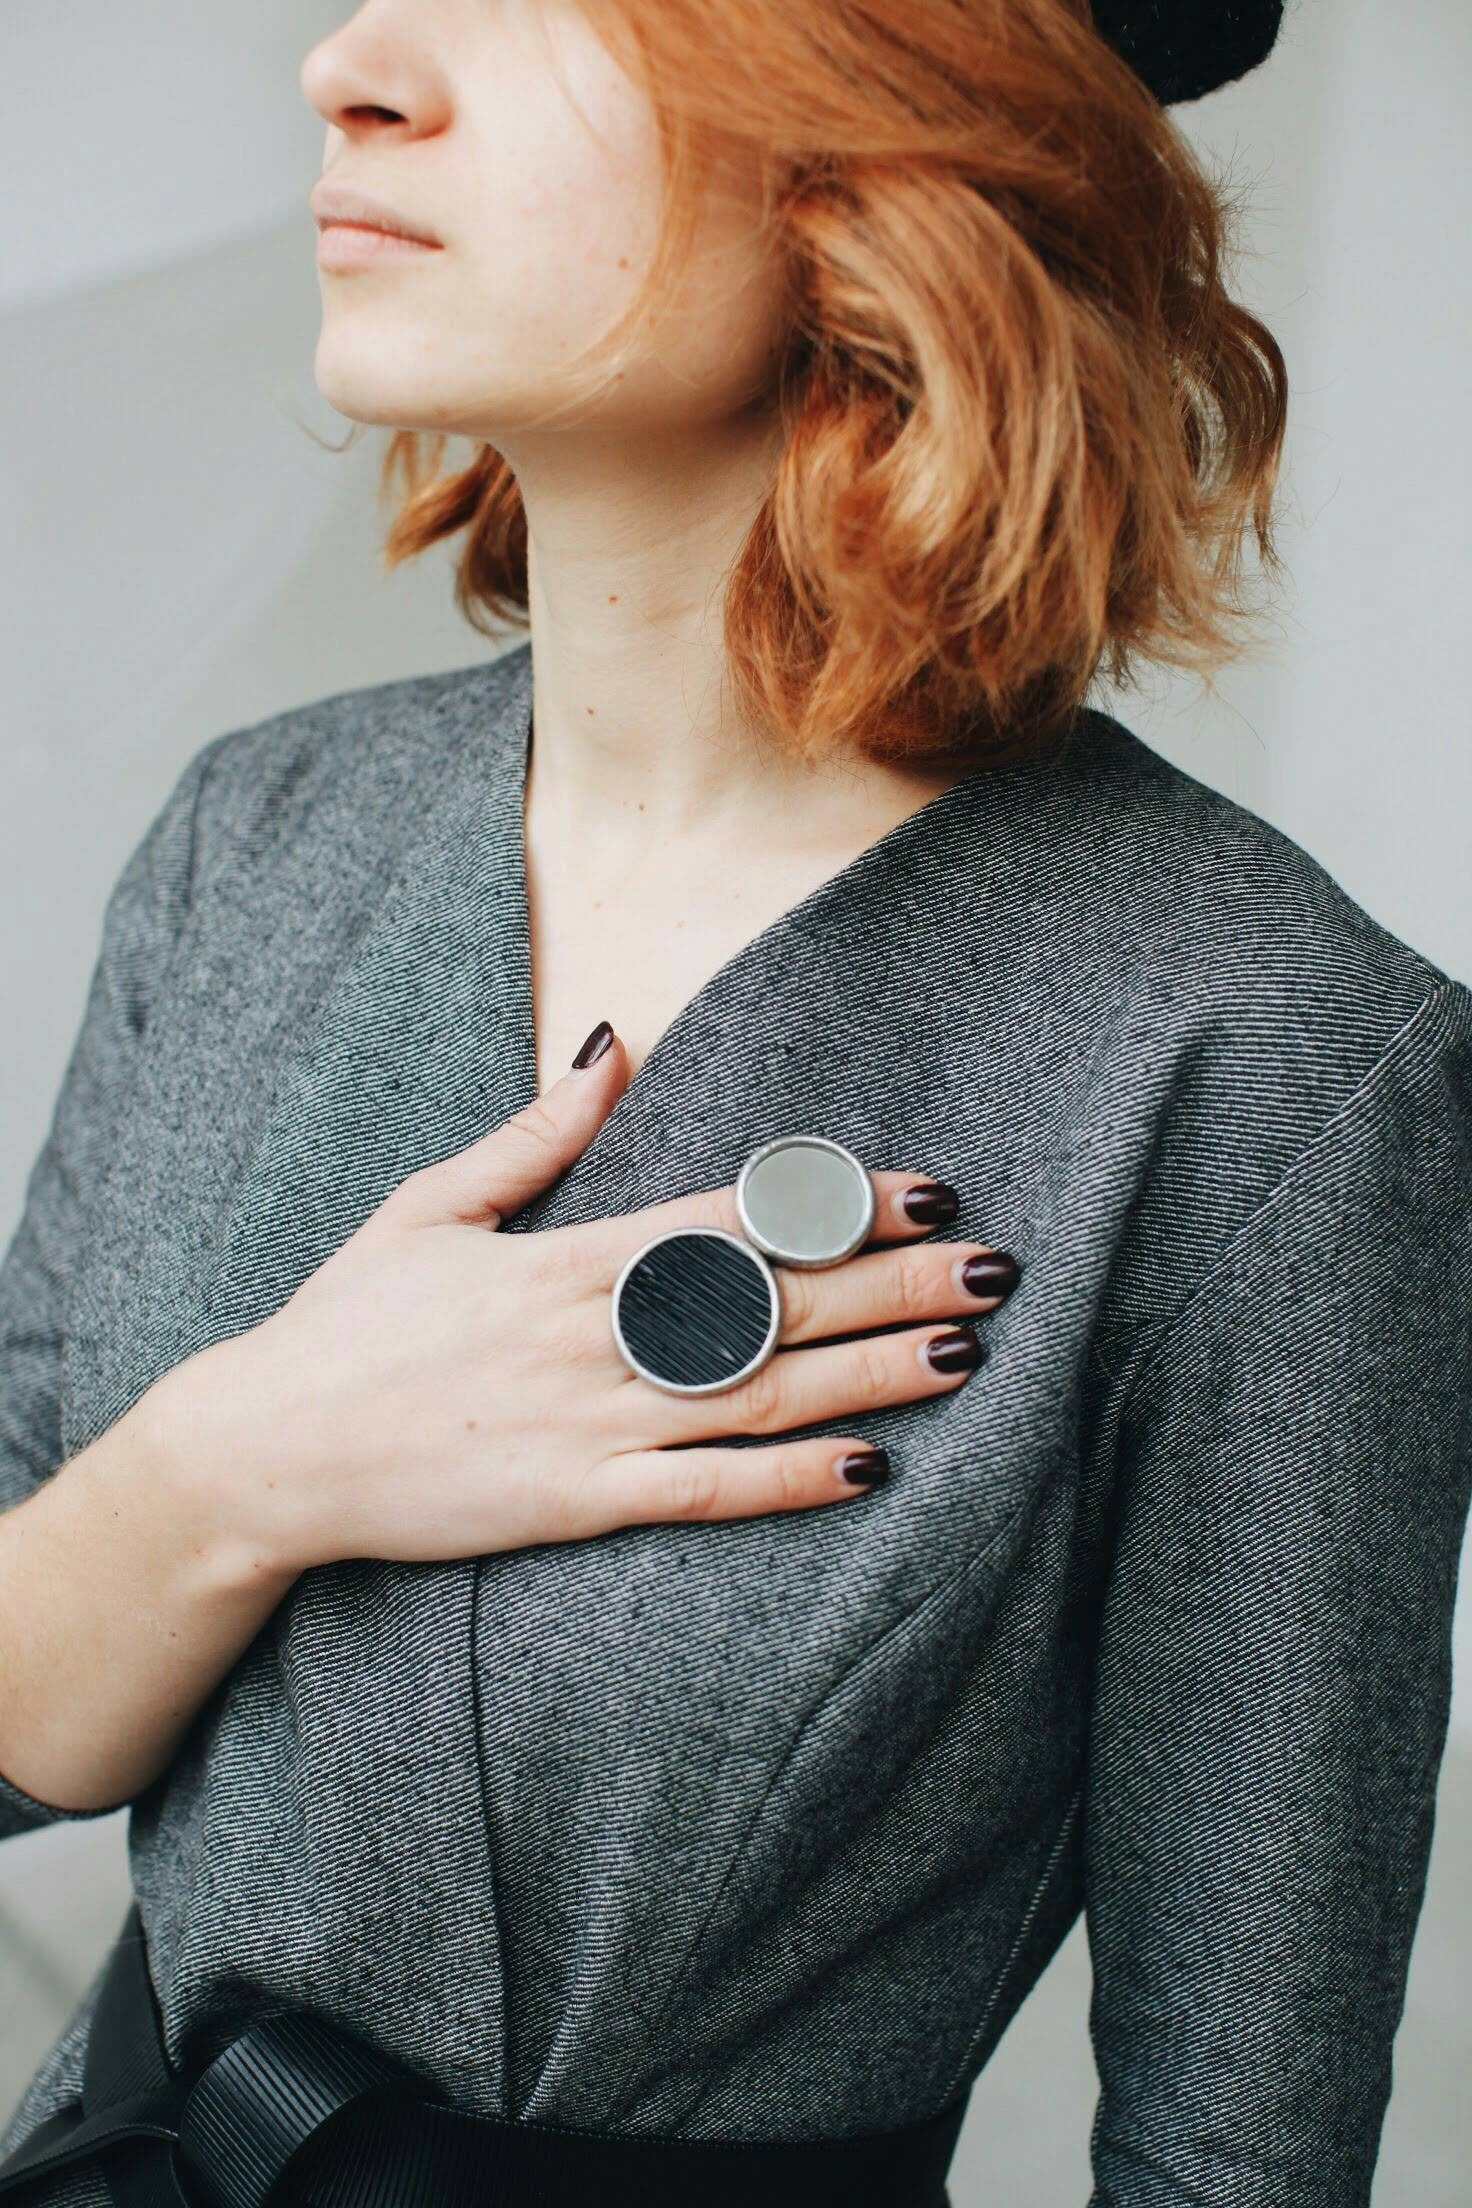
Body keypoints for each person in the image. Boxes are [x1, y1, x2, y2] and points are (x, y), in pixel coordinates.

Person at [2, 3, 1468, 2204]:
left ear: (891, 143)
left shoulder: (1271, 1066)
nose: (351, 62)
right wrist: (250, 1456)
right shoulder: (260, 840)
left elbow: (1233, 2152)